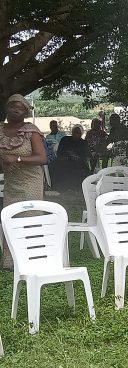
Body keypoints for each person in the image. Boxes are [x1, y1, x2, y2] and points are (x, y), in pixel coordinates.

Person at [0, 94, 47, 269]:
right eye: (13, 106)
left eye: (20, 108)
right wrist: (4, 161)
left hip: (30, 182)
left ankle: (31, 259)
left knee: (29, 218)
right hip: (11, 183)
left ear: (26, 113)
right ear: (7, 108)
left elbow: (42, 158)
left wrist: (17, 158)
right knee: (10, 219)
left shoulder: (31, 131)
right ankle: (10, 262)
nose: (16, 110)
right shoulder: (0, 129)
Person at [50, 125, 90, 192]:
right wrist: (68, 155)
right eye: (74, 132)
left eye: (78, 133)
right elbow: (60, 152)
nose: (76, 134)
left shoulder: (84, 143)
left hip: (78, 162)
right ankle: (56, 186)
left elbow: (85, 156)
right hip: (64, 160)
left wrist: (74, 156)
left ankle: (73, 186)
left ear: (81, 134)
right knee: (53, 165)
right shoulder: (65, 139)